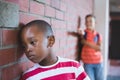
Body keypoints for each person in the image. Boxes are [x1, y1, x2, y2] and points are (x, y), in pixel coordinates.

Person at [19, 20, 90, 80]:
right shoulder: (28, 77)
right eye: (24, 46)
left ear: (50, 41)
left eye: (32, 42)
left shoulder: (73, 67)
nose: (27, 49)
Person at [79, 14, 103, 80]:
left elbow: (100, 48)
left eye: (90, 21)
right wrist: (82, 36)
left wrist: (86, 42)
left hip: (99, 62)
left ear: (95, 23)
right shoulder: (84, 33)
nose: (88, 23)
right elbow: (82, 40)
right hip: (88, 63)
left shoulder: (98, 35)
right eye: (87, 21)